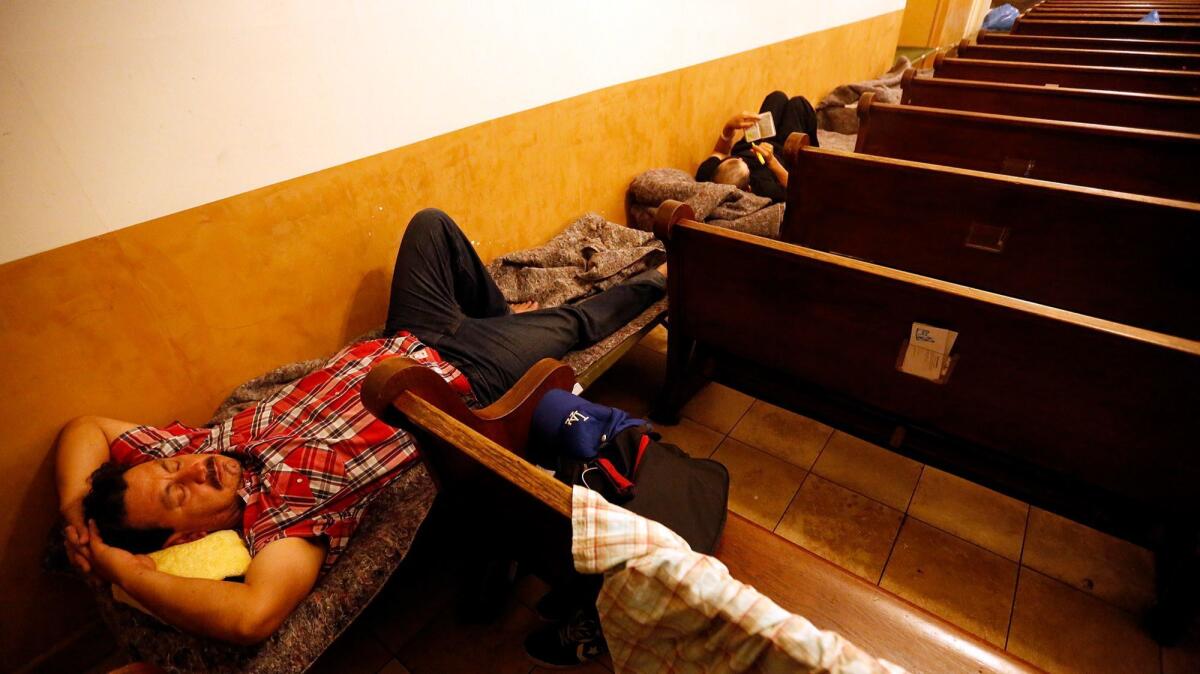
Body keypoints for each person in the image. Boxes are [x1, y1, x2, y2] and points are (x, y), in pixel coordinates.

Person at [55, 208, 666, 645]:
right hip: (469, 374)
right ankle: (660, 278)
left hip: (407, 332)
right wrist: (116, 568)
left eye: (168, 467)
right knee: (575, 324)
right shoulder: (281, 519)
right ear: (179, 542)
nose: (190, 470)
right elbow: (252, 616)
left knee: (430, 225)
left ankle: (501, 314)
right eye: (177, 494)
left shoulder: (203, 447)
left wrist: (77, 512)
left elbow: (86, 426)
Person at [695, 91, 819, 204]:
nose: (742, 160)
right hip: (780, 153)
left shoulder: (706, 173)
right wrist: (772, 162)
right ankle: (815, 158)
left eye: (734, 159)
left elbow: (719, 152)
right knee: (799, 104)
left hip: (750, 145)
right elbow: (796, 190)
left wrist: (729, 127)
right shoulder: (763, 188)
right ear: (748, 189)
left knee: (777, 97)